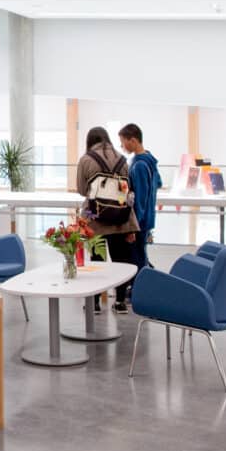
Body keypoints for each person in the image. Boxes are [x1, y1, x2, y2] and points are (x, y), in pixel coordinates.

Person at [77, 126, 139, 314]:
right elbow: (127, 190)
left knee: (97, 260)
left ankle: (95, 303)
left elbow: (81, 190)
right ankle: (120, 301)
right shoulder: (122, 160)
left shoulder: (86, 160)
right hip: (121, 218)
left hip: (96, 219)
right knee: (121, 261)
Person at [119, 123, 162, 278]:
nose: (122, 146)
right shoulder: (150, 160)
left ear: (133, 140)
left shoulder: (139, 165)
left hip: (139, 220)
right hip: (148, 217)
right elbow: (158, 183)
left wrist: (133, 227)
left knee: (137, 258)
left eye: (123, 141)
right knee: (141, 255)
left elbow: (140, 199)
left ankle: (140, 289)